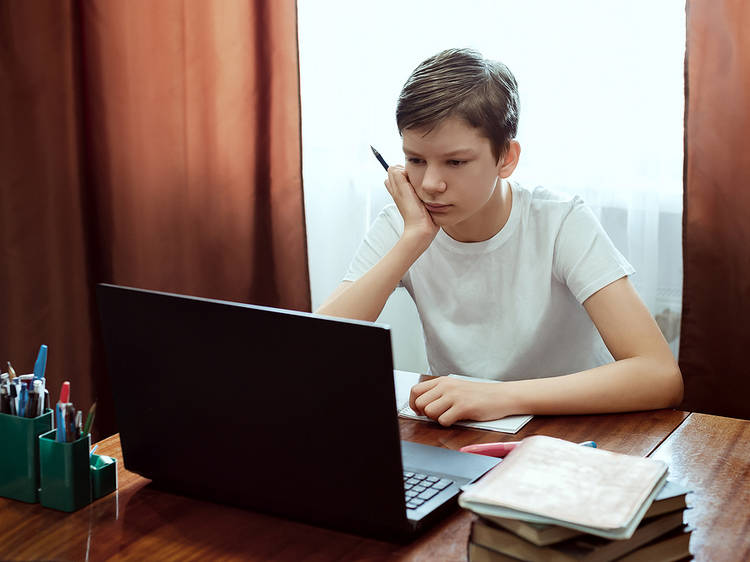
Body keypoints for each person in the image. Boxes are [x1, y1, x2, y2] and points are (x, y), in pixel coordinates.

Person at [317, 48, 683, 426]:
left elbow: (659, 374)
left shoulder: (559, 221)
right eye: (415, 160)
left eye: (455, 162)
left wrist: (501, 396)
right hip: (463, 433)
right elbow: (315, 348)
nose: (430, 184)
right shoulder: (404, 225)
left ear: (506, 158)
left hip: (571, 431)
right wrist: (413, 241)